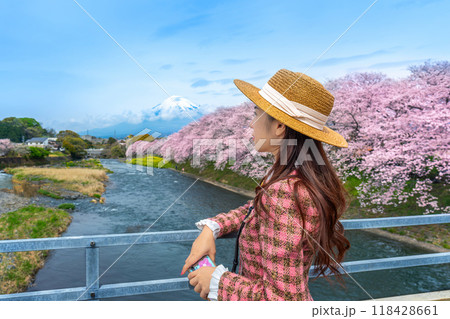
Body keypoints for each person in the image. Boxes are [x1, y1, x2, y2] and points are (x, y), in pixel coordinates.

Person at [180, 69, 351, 301]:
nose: (251, 124)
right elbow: (255, 209)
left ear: (279, 126)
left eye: (256, 114)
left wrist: (217, 281)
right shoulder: (297, 180)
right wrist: (213, 227)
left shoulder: (284, 191)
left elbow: (282, 300)